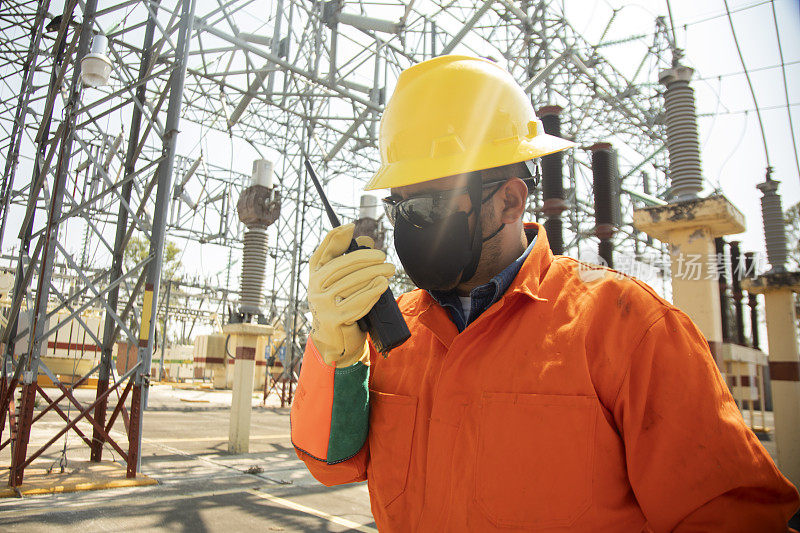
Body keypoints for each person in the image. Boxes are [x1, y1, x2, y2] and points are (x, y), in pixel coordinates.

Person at [290, 55, 799, 532]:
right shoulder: (393, 332)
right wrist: (334, 356)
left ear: (511, 200)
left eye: (429, 206)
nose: (411, 226)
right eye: (402, 207)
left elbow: (729, 514)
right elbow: (332, 469)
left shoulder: (627, 328)